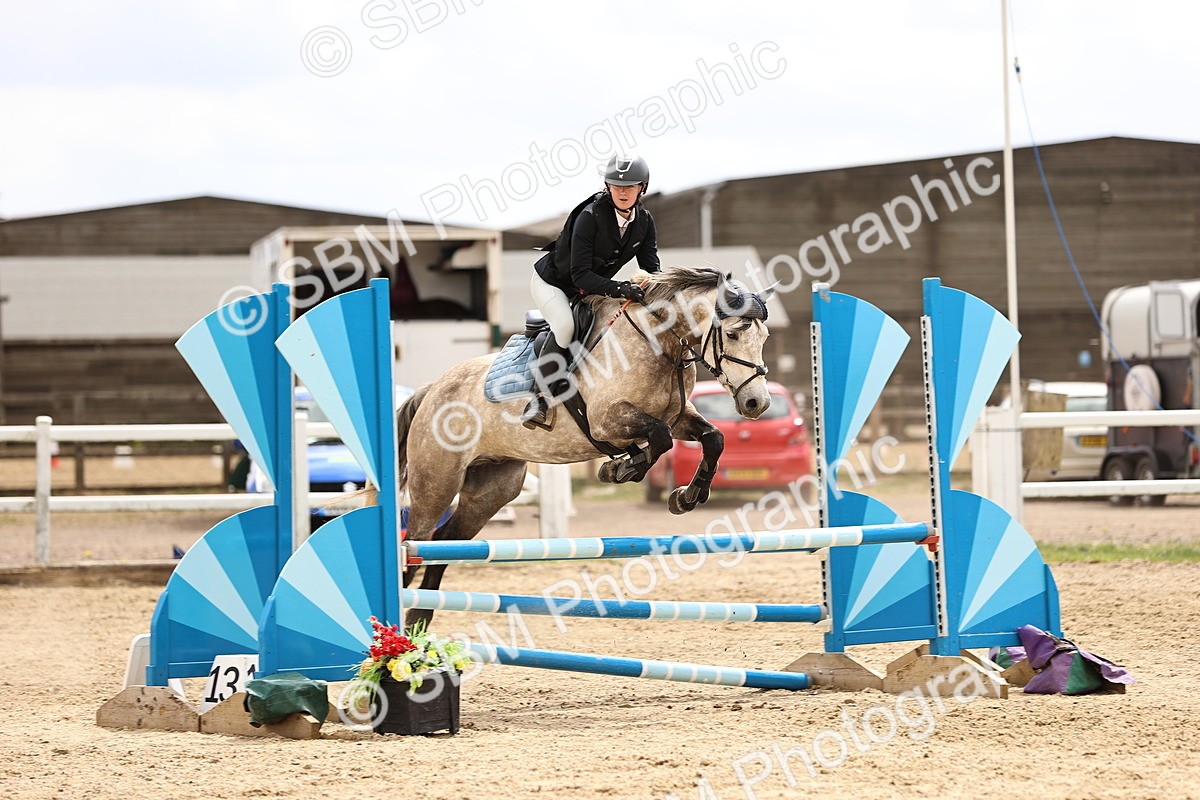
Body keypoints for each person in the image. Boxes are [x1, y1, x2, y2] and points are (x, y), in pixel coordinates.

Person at [523, 154, 661, 428]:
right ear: (608, 186)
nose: (623, 192)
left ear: (642, 188)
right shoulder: (590, 216)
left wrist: (662, 293)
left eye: (630, 186)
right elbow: (580, 275)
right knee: (565, 327)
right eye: (616, 185)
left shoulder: (644, 221)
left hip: (589, 289)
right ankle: (539, 398)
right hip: (553, 283)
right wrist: (622, 288)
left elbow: (651, 268)